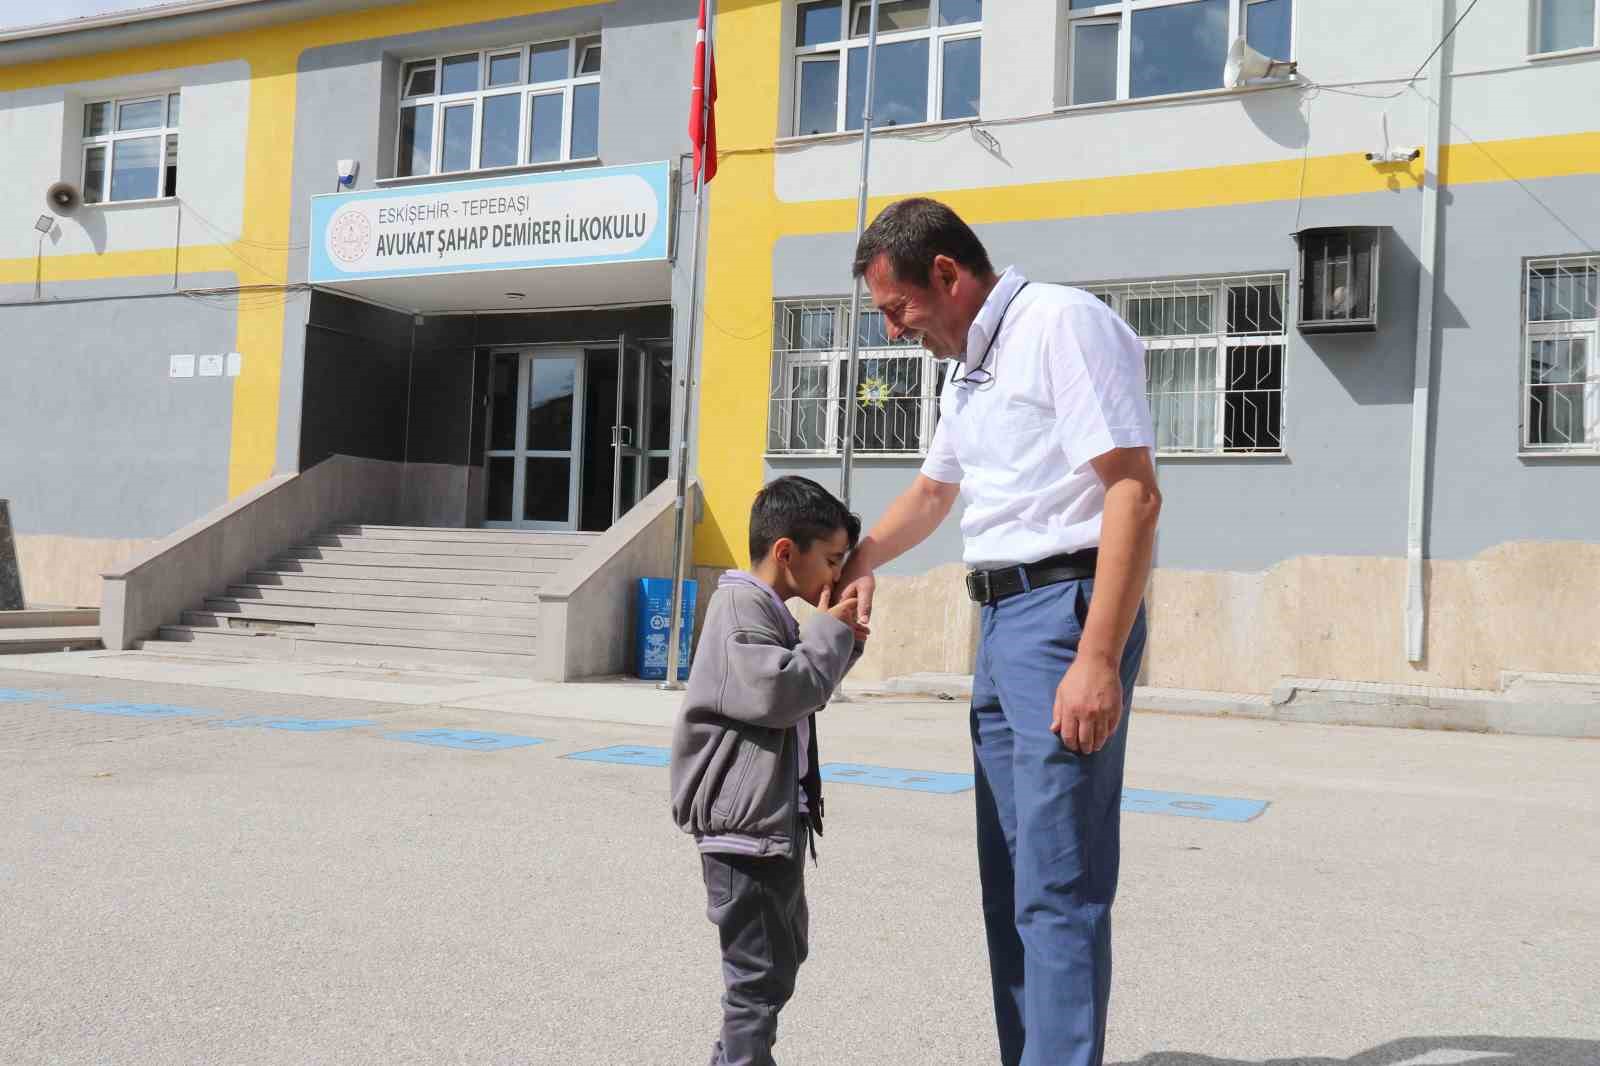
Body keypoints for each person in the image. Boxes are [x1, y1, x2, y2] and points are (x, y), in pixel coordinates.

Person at [834, 198, 1161, 1066]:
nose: (898, 334)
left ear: (947, 275)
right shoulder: (969, 367)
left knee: (1059, 883)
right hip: (1002, 622)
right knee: (1010, 883)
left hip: (1064, 615)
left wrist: (1098, 657)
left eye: (898, 310)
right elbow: (935, 493)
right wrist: (853, 565)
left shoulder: (1061, 324)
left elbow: (1133, 491)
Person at [669, 475, 869, 1066]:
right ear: (786, 551)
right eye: (831, 561)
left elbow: (802, 689)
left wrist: (841, 636)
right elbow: (782, 694)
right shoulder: (740, 607)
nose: (835, 576)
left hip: (768, 824)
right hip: (745, 831)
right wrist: (834, 631)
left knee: (780, 959)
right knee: (756, 977)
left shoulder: (769, 611)